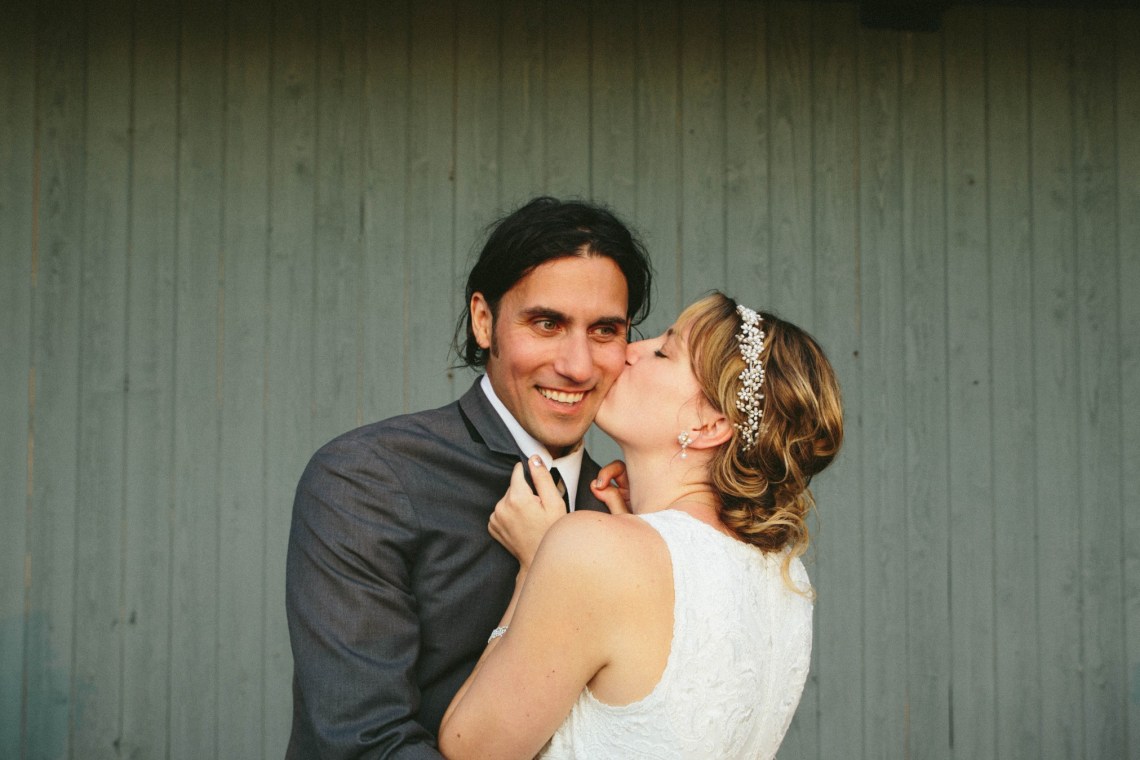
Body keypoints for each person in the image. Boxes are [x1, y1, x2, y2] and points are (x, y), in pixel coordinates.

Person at [285, 197, 653, 758]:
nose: (578, 366)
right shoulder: (367, 478)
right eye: (547, 323)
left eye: (605, 330)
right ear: (484, 321)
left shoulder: (635, 514)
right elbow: (365, 743)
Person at [438, 292, 844, 759]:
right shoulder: (788, 580)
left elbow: (471, 750)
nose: (629, 350)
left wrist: (535, 564)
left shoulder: (595, 551)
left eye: (664, 351)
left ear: (710, 425)